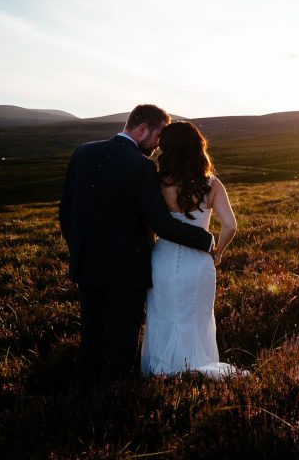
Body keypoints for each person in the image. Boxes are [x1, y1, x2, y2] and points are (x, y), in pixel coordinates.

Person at [59, 104, 214, 385]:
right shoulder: (140, 166)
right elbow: (160, 223)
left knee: (91, 336)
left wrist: (79, 250)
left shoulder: (83, 152)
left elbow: (66, 211)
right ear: (143, 129)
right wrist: (205, 239)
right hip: (126, 271)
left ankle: (82, 395)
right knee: (121, 343)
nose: (158, 145)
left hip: (87, 265)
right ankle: (115, 400)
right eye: (157, 137)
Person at [140, 121, 245, 379]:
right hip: (198, 263)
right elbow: (230, 226)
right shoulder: (212, 184)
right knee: (196, 318)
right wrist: (218, 251)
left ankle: (161, 371)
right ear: (198, 147)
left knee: (162, 315)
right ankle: (195, 367)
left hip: (161, 261)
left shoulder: (157, 182)